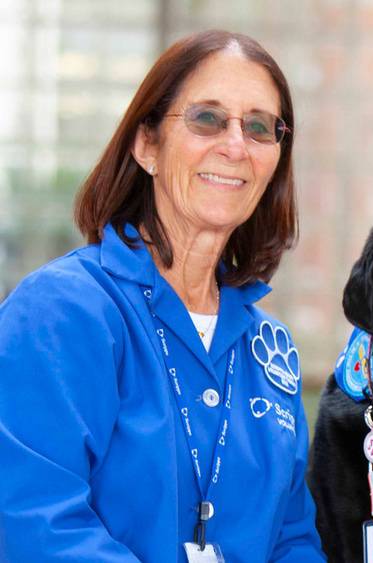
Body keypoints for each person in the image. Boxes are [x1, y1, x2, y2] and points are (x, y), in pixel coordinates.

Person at [0, 30, 325, 562]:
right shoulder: (61, 312)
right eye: (207, 119)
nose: (236, 146)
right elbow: (37, 522)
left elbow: (292, 539)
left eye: (261, 127)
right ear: (146, 143)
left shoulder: (270, 348)